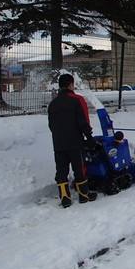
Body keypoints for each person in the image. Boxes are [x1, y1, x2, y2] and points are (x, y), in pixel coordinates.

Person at [48, 73, 97, 208]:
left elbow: (51, 125)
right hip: (75, 141)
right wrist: (89, 136)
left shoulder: (53, 104)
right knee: (79, 168)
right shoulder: (77, 100)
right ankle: (84, 195)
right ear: (71, 84)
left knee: (61, 171)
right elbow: (83, 121)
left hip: (58, 143)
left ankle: (65, 198)